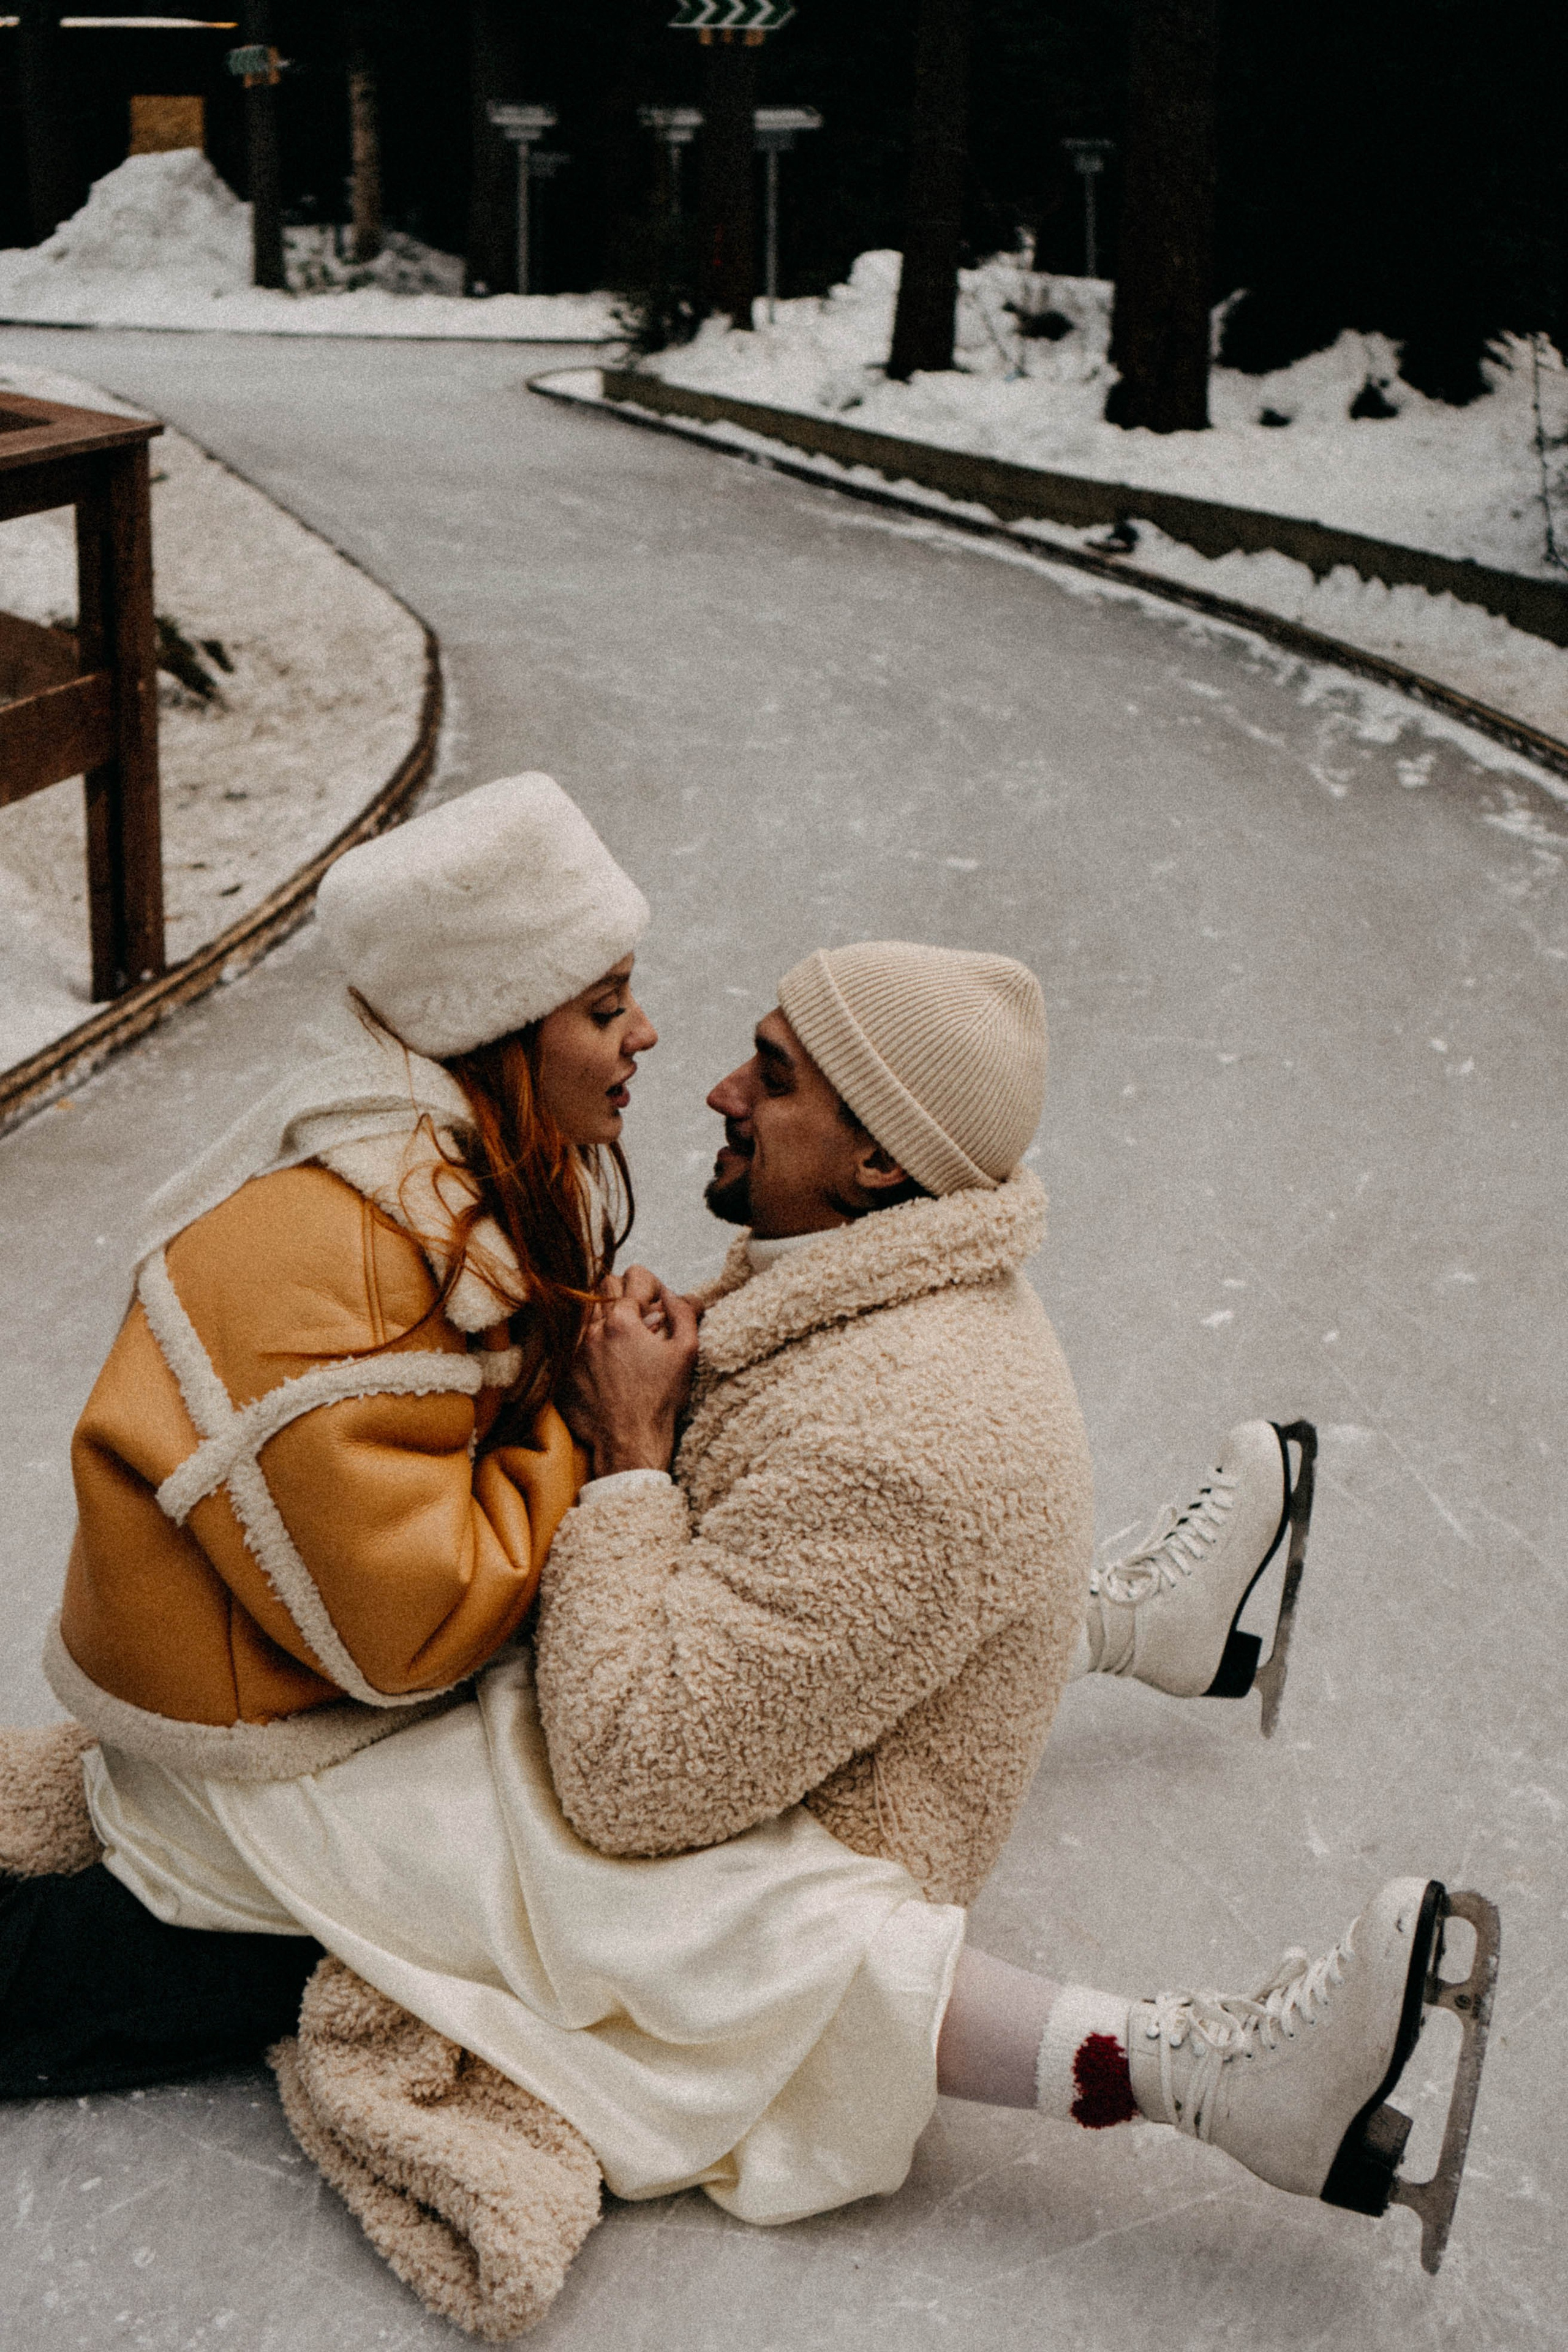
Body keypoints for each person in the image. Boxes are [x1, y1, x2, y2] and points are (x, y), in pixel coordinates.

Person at [0, 843, 1495, 2332]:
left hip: (677, 1775)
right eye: (617, 1007)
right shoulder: (862, 1273)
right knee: (246, 1853)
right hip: (403, 1736)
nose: (703, 1074)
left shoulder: (906, 1425)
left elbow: (638, 1771)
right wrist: (610, 1431)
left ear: (875, 1162)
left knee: (706, 1914)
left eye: (770, 1079)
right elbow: (756, 1562)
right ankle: (1120, 1631)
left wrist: (627, 1453)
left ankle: (1204, 2074)